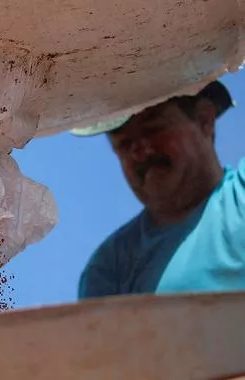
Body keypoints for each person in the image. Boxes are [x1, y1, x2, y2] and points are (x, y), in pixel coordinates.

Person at [72, 80, 245, 299]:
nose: (141, 152)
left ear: (205, 120)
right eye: (125, 143)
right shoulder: (110, 266)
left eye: (154, 129)